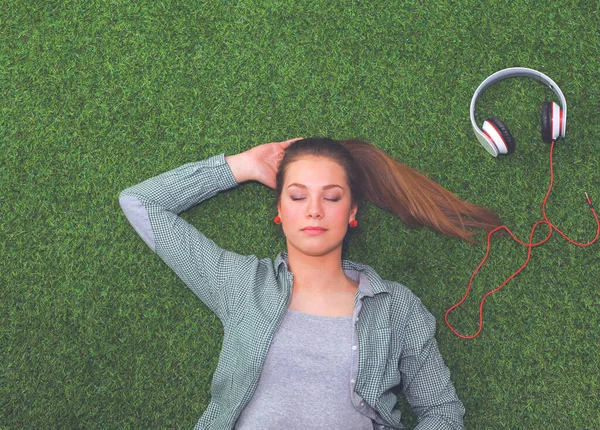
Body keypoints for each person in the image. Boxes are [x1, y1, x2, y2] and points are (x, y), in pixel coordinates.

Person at [119, 137, 501, 429]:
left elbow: (443, 412)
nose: (314, 209)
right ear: (280, 211)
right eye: (298, 196)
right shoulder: (241, 284)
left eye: (331, 197)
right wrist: (244, 165)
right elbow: (139, 202)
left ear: (352, 211)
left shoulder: (395, 306)